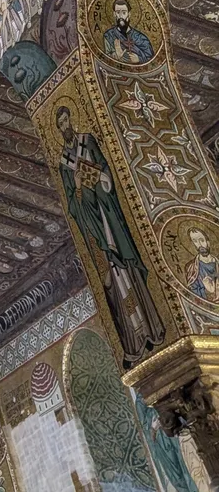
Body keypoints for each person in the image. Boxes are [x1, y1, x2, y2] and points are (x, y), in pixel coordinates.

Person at [56, 105, 165, 363]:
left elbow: (106, 171)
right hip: (95, 231)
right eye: (61, 124)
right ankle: (134, 342)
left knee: (129, 270)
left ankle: (153, 328)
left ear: (71, 120)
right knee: (113, 283)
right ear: (59, 129)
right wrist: (80, 188)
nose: (65, 126)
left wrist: (98, 182)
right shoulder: (63, 163)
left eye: (66, 120)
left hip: (110, 220)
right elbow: (72, 202)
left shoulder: (88, 142)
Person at [102, 0, 154, 64]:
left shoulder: (141, 38)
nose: (121, 16)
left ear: (129, 14)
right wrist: (117, 54)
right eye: (118, 12)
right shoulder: (109, 35)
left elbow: (151, 59)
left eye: (124, 13)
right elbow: (106, 59)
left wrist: (139, 59)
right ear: (114, 14)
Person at [185, 225, 219, 302]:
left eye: (201, 240)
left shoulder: (217, 262)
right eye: (195, 241)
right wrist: (208, 290)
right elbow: (194, 293)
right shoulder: (191, 267)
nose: (199, 244)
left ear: (208, 242)